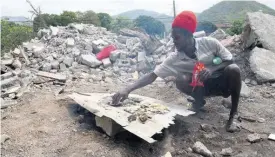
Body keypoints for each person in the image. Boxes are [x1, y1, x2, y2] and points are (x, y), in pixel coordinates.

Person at [112, 11, 241, 132]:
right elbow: (152, 75)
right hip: (202, 87)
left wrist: (211, 69)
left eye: (177, 37)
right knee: (181, 79)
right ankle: (198, 101)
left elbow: (230, 60)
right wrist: (127, 89)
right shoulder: (175, 58)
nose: (173, 41)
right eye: (173, 37)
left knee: (234, 69)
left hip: (221, 84)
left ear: (189, 35)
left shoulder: (210, 43)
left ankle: (233, 114)